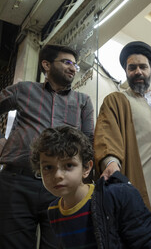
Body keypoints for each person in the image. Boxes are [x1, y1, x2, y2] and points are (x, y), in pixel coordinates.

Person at [0, 44, 94, 248]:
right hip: (16, 182)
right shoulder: (24, 90)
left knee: (57, 245)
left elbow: (88, 141)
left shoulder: (83, 101)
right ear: (46, 65)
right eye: (67, 62)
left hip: (60, 187)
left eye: (75, 65)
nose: (73, 68)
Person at [94, 41, 151, 249]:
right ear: (126, 71)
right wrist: (111, 163)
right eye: (132, 68)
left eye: (142, 67)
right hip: (139, 178)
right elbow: (106, 133)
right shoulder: (117, 100)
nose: (137, 72)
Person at [30, 125, 151, 248]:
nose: (58, 175)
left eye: (69, 165)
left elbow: (148, 243)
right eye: (48, 167)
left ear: (86, 168)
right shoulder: (53, 210)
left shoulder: (117, 196)